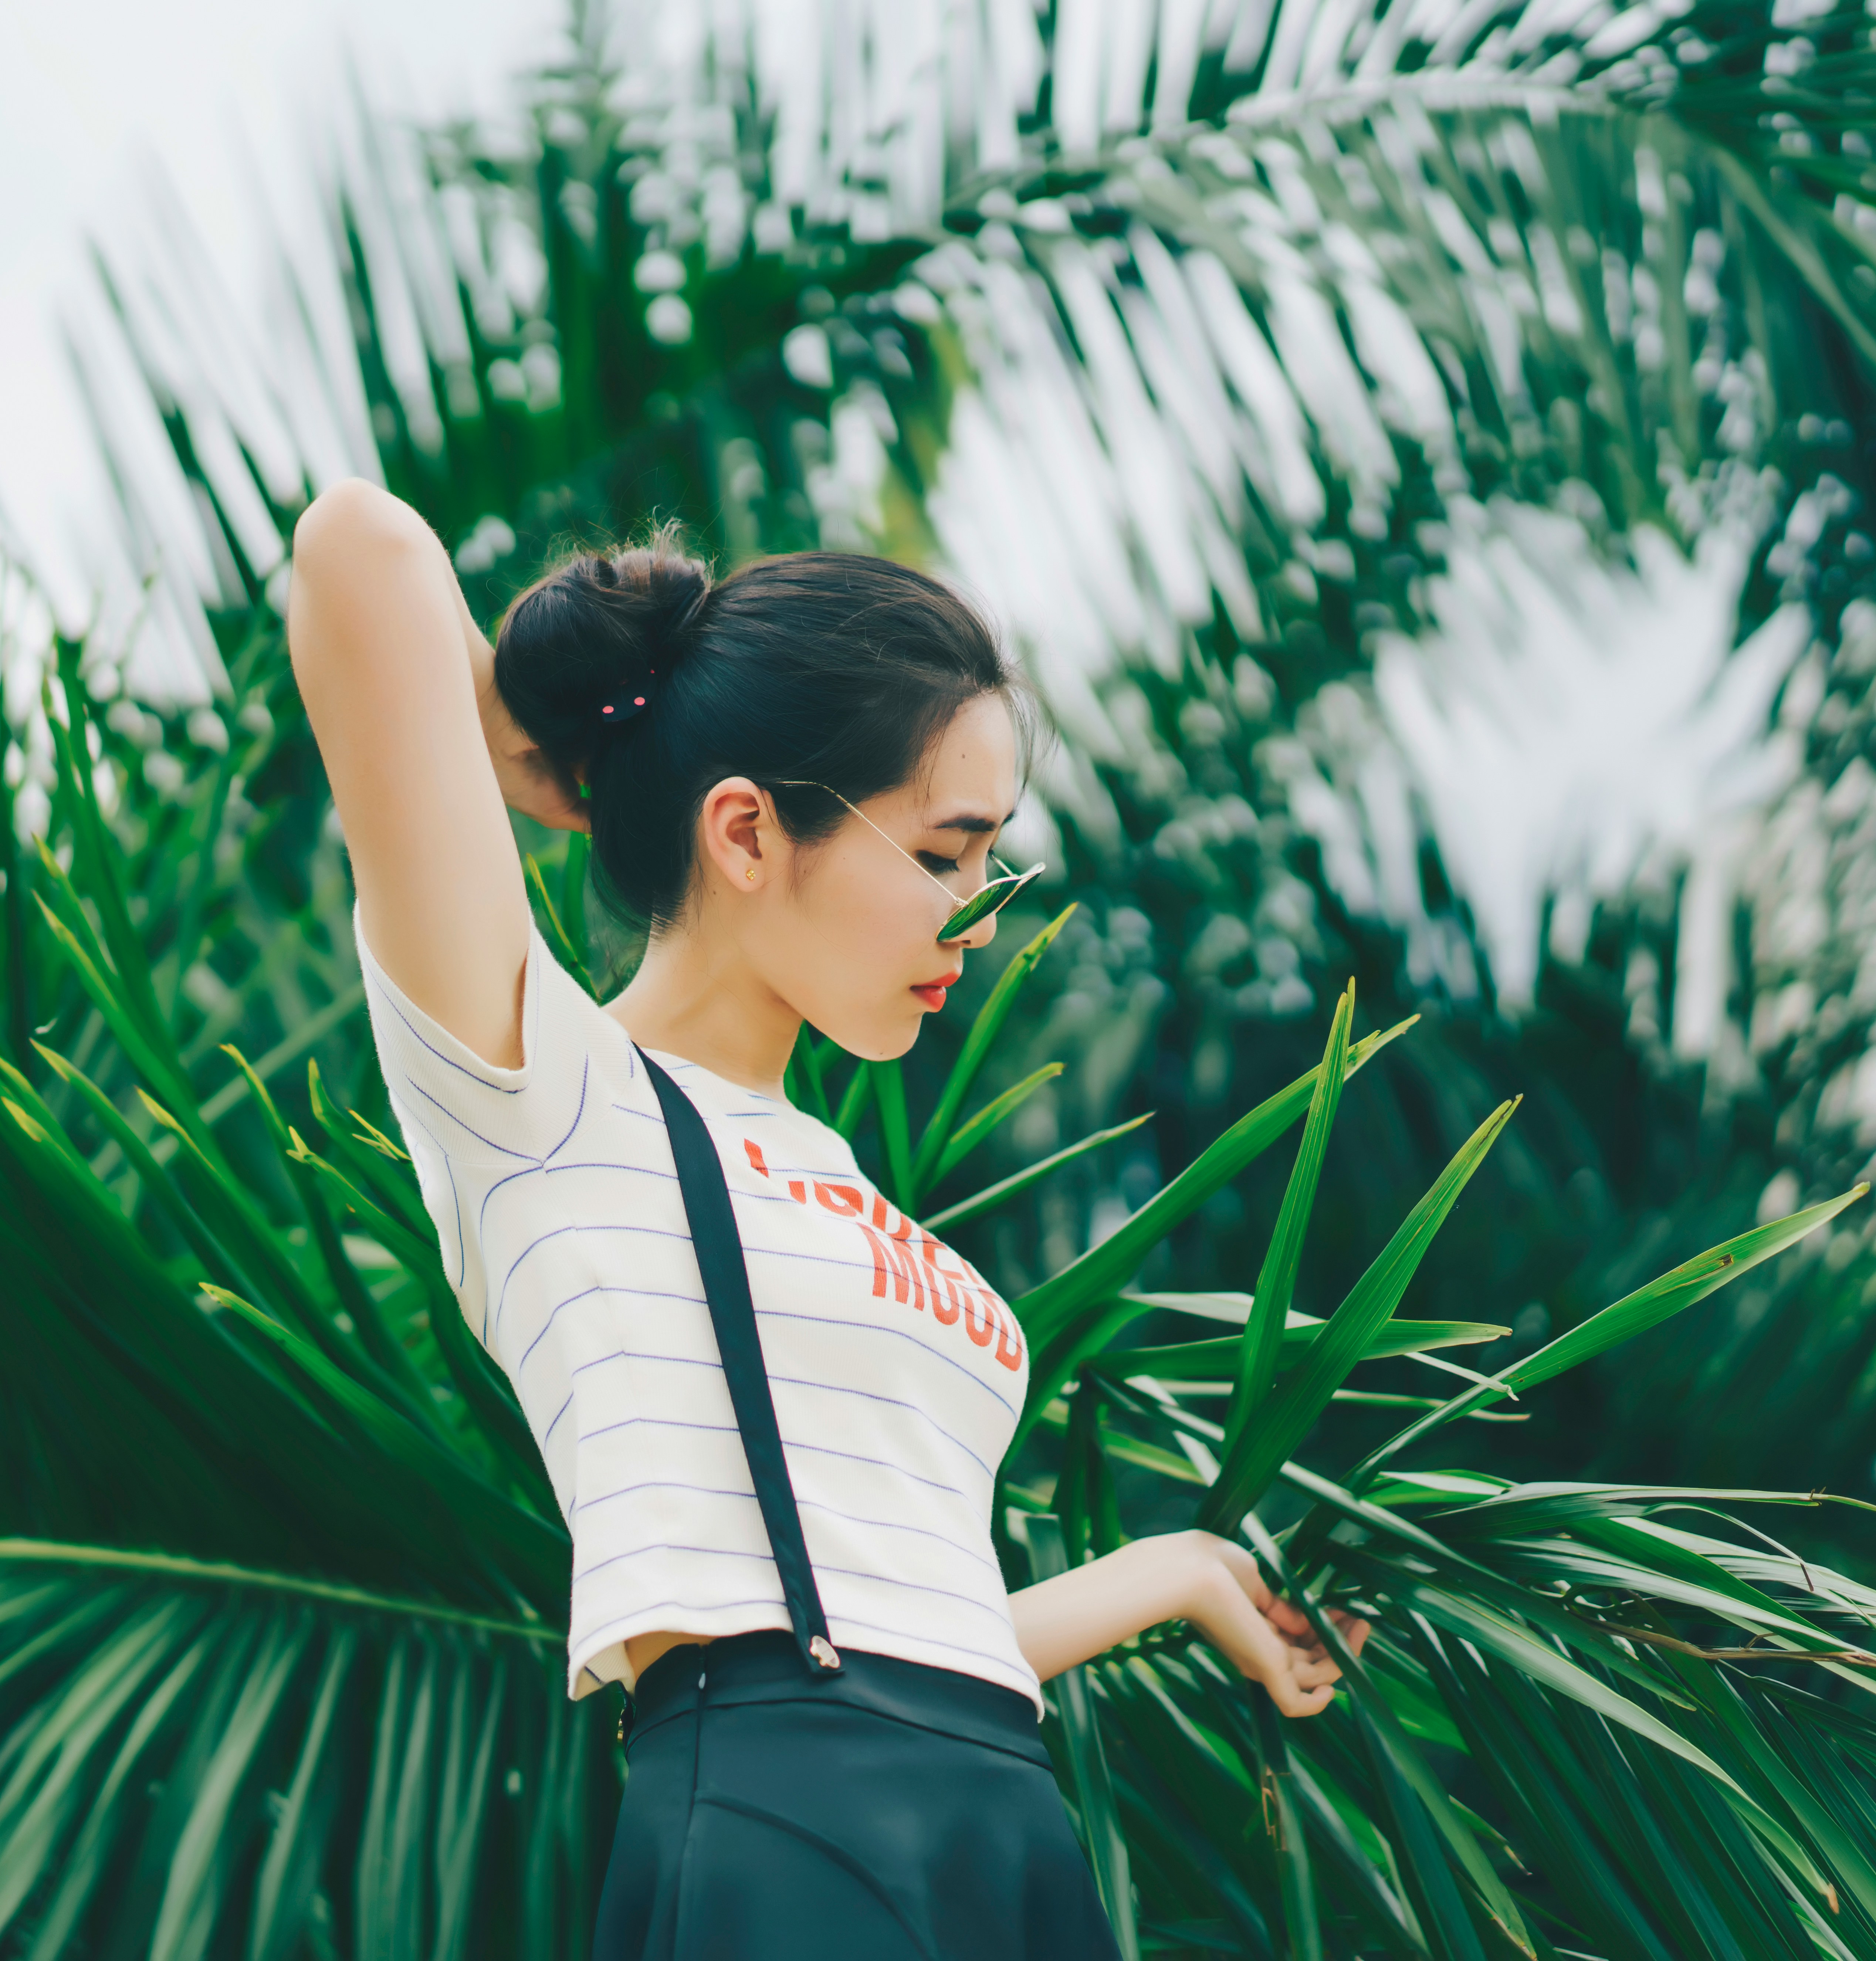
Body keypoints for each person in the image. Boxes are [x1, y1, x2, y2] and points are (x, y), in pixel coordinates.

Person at [287, 481, 1367, 1960]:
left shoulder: (845, 1181)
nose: (975, 916)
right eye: (939, 854)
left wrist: (1169, 1576)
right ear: (741, 830)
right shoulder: (545, 1092)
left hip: (1003, 1828)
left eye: (990, 863)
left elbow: (911, 1620)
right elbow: (360, 547)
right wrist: (581, 759)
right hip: (786, 1825)